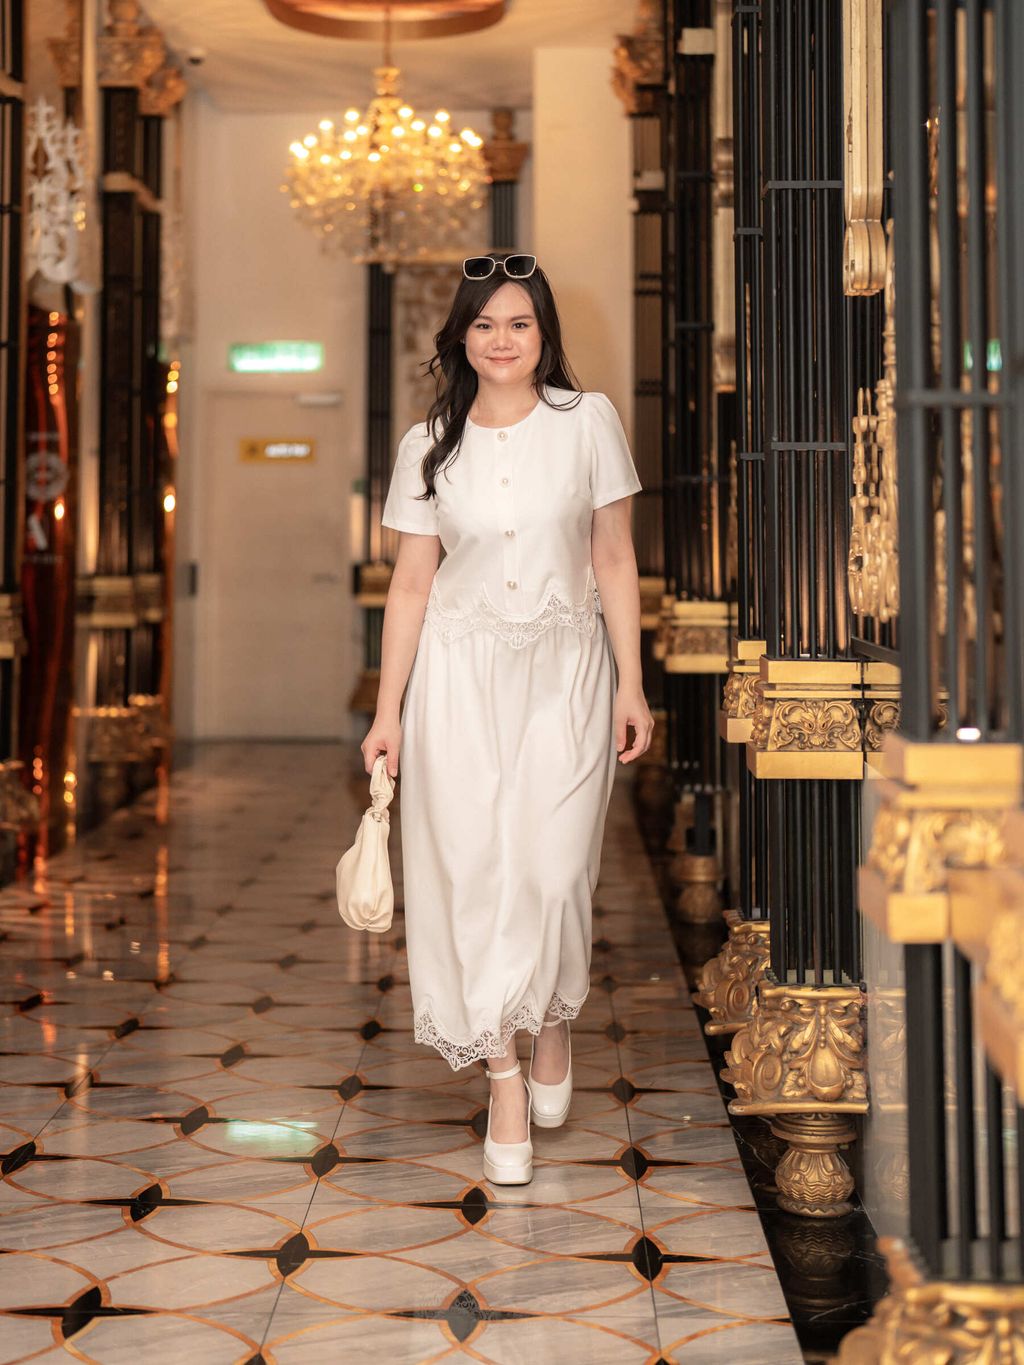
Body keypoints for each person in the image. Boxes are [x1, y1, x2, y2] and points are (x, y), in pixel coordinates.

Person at [361, 252, 654, 1186]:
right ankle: (502, 1073)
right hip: (457, 677)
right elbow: (412, 584)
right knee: (472, 874)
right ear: (460, 338)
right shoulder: (428, 444)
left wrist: (632, 683)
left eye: (519, 323)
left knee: (556, 869)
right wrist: (387, 712)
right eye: (484, 324)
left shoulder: (587, 421)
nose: (501, 340)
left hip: (567, 673)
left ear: (543, 334)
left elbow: (614, 558)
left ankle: (554, 1013)